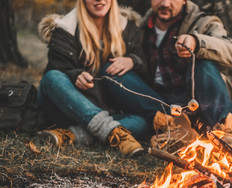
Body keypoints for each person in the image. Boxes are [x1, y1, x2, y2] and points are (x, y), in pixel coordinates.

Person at [37, 0, 168, 156]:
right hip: (69, 108)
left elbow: (144, 73)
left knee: (141, 123)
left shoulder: (127, 27)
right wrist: (75, 75)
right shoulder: (66, 28)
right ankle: (116, 134)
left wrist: (132, 60)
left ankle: (71, 134)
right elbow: (56, 72)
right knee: (51, 77)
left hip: (102, 109)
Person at [141, 0, 232, 153]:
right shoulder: (141, 27)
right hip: (161, 103)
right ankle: (179, 131)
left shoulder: (203, 22)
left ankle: (226, 135)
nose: (165, 3)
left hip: (196, 98)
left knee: (203, 63)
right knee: (118, 74)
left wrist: (197, 42)